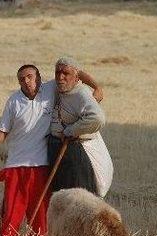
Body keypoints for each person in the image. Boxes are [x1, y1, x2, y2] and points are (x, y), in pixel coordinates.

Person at [0, 64, 102, 236]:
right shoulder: (13, 101)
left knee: (41, 213)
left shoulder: (50, 88)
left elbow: (76, 72)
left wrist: (96, 87)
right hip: (16, 165)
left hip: (41, 165)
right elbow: (4, 130)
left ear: (39, 77)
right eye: (22, 79)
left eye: (30, 76)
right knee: (11, 212)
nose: (26, 81)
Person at [48, 56, 113, 197]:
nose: (60, 77)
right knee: (60, 197)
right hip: (57, 149)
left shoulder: (81, 93)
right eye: (57, 73)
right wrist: (96, 86)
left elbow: (97, 118)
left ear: (76, 78)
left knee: (79, 197)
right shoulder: (56, 86)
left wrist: (71, 130)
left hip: (76, 152)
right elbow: (78, 72)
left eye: (65, 74)